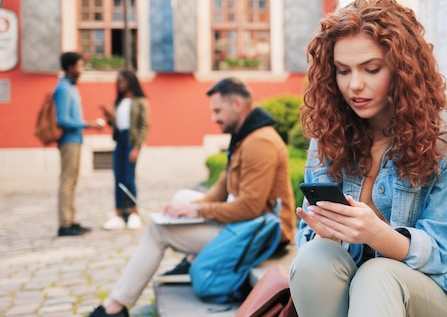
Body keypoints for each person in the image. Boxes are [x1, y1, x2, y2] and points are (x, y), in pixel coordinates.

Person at [289, 0, 447, 317]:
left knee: (377, 275)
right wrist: (324, 231)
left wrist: (377, 235)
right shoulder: (327, 137)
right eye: (342, 71)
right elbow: (310, 242)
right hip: (352, 295)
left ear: (403, 69)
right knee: (313, 258)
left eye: (372, 69)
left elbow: (443, 253)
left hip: (439, 294)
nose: (355, 85)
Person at [88, 77, 296, 317]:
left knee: (158, 231)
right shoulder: (244, 137)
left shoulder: (260, 142)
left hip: (263, 235)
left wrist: (197, 212)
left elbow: (250, 207)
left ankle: (115, 307)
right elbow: (222, 187)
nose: (214, 118)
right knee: (183, 198)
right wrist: (187, 208)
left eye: (218, 110)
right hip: (246, 226)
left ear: (237, 104)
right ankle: (190, 258)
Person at [53, 52, 104, 237]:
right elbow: (62, 120)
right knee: (67, 181)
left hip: (75, 140)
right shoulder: (63, 89)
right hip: (68, 140)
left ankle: (71, 220)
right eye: (79, 66)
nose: (81, 69)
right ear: (70, 67)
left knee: (72, 181)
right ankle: (65, 223)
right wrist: (88, 124)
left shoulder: (71, 87)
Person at [100, 70, 150, 230]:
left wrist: (137, 147)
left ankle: (134, 212)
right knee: (118, 177)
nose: (120, 84)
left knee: (129, 177)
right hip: (120, 140)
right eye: (118, 81)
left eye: (123, 81)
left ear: (131, 81)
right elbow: (117, 126)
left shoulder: (140, 101)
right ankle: (119, 213)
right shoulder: (119, 102)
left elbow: (144, 126)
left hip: (131, 140)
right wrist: (110, 118)